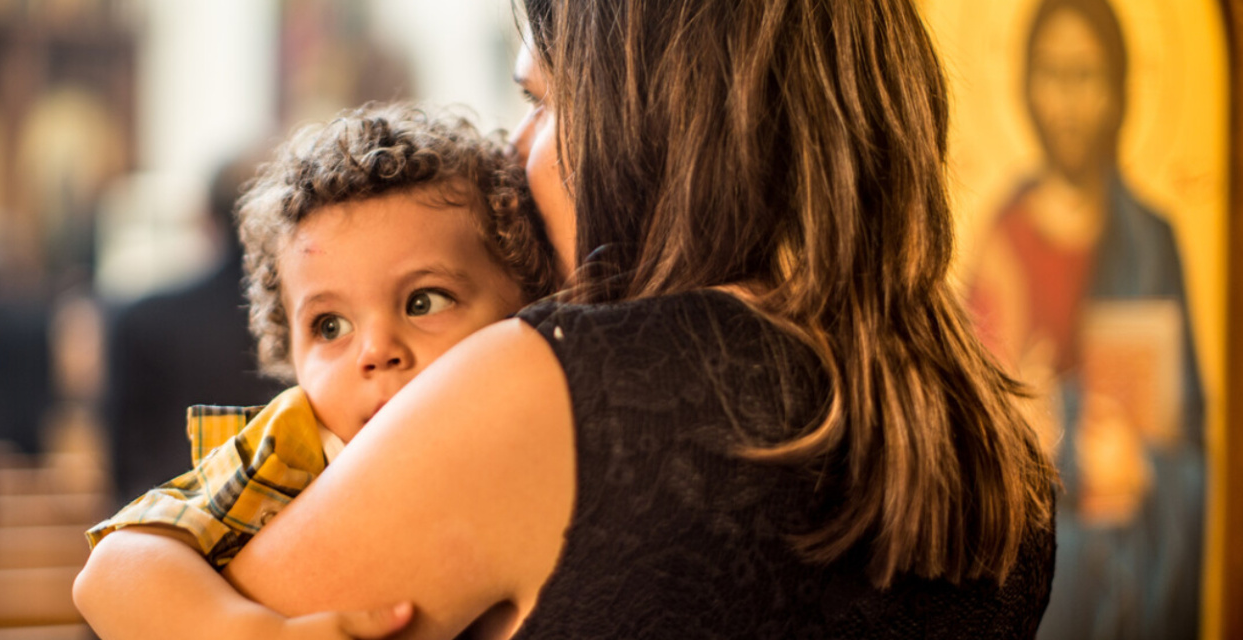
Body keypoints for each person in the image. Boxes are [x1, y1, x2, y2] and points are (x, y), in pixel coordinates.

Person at [75, 0, 1059, 637]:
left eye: (542, 101)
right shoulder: (988, 439)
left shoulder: (552, 387)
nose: (518, 150)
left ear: (650, 124)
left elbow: (130, 608)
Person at [82, 102, 560, 570]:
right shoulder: (288, 457)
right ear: (289, 354)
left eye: (424, 302)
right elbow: (113, 566)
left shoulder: (556, 442)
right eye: (331, 327)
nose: (376, 351)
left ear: (528, 300)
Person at [963, 0, 1206, 636]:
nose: (1067, 101)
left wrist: (1148, 469)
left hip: (1126, 573)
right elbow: (963, 441)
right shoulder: (1001, 245)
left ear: (1119, 86)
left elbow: (1196, 448)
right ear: (1023, 82)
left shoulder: (1152, 244)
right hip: (1038, 577)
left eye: (1085, 75)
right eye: (1051, 73)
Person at [101, 154, 290, 510]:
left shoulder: (142, 318)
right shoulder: (303, 317)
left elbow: (120, 455)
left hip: (165, 519)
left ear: (206, 219)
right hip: (283, 520)